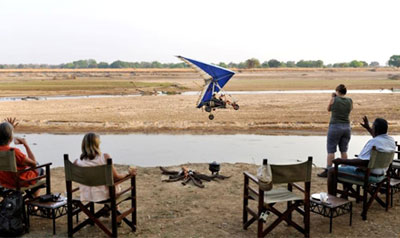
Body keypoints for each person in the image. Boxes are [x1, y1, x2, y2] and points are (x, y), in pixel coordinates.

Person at [327, 116, 396, 195]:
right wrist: (368, 128)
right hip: (381, 175)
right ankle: (344, 195)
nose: (372, 129)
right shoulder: (391, 141)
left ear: (376, 130)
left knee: (331, 171)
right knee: (346, 167)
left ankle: (331, 199)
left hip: (367, 175)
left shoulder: (373, 142)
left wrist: (341, 160)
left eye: (373, 127)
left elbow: (363, 162)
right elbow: (378, 138)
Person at [74, 132, 136, 202]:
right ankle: (110, 208)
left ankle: (108, 209)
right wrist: (128, 173)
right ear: (97, 144)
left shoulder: (77, 162)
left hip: (87, 196)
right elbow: (116, 178)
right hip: (105, 195)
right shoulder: (105, 157)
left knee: (114, 187)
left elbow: (75, 177)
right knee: (117, 188)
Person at [0, 118, 43, 197]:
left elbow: (5, 147)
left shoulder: (6, 151)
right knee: (40, 168)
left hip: (4, 180)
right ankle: (34, 198)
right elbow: (33, 164)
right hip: (18, 181)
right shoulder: (14, 152)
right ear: (10, 137)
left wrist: (9, 129)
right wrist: (26, 145)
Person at [318, 84, 353, 177]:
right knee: (344, 150)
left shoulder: (334, 99)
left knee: (331, 150)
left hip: (335, 126)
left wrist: (333, 97)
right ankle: (344, 170)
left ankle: (329, 170)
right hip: (346, 127)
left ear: (337, 91)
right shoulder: (350, 100)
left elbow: (328, 109)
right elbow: (350, 109)